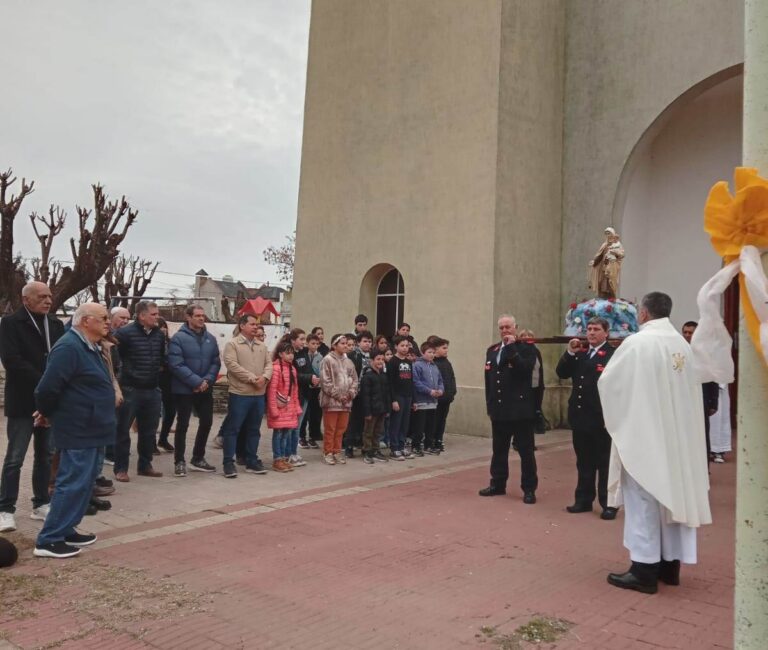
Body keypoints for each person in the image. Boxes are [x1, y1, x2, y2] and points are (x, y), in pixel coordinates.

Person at [599, 292, 711, 593]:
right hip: (677, 438)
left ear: (644, 313)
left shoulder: (638, 343)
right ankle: (669, 566)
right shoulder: (682, 345)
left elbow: (609, 383)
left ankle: (643, 569)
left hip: (646, 436)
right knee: (670, 499)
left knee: (643, 500)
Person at [32, 303, 114, 558]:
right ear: (85, 320)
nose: (107, 322)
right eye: (103, 318)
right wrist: (46, 413)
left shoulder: (89, 346)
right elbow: (47, 388)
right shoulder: (69, 347)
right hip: (79, 426)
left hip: (93, 426)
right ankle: (49, 539)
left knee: (84, 483)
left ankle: (66, 528)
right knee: (71, 481)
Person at [0, 282, 65, 532]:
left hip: (49, 401)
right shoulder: (10, 324)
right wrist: (46, 381)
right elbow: (12, 360)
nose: (48, 301)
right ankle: (5, 508)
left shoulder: (56, 324)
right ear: (26, 299)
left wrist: (55, 386)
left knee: (46, 455)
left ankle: (41, 503)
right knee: (15, 457)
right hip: (23, 400)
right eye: (42, 297)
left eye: (50, 296)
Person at [555, 317, 617, 519]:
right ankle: (583, 500)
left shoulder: (612, 354)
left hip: (602, 418)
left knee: (604, 463)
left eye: (596, 329)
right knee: (584, 461)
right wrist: (570, 352)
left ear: (606, 333)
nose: (591, 333)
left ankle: (608, 503)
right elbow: (562, 372)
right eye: (589, 329)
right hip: (581, 417)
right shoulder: (580, 354)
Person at [479, 314, 538, 504]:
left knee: (526, 452)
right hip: (499, 410)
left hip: (520, 411)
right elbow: (489, 381)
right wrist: (490, 404)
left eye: (508, 327)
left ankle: (529, 489)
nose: (505, 331)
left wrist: (513, 347)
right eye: (502, 328)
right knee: (499, 450)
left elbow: (524, 369)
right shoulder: (493, 350)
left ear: (515, 327)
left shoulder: (527, 348)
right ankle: (497, 484)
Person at [113, 300, 166, 481]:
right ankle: (121, 468)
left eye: (157, 314)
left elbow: (161, 358)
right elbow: (115, 358)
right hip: (130, 389)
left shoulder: (159, 334)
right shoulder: (125, 334)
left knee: (148, 431)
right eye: (153, 314)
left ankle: (145, 465)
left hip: (152, 389)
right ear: (142, 315)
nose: (157, 317)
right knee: (123, 430)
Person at [167, 305, 221, 476]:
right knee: (183, 425)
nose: (201, 318)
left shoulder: (210, 339)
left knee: (206, 422)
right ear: (188, 317)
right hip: (184, 389)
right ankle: (179, 461)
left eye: (203, 315)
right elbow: (176, 364)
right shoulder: (178, 338)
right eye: (197, 315)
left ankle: (198, 458)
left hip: (205, 388)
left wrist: (207, 380)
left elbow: (215, 362)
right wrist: (196, 381)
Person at [219, 315, 272, 478]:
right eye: (252, 324)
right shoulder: (232, 344)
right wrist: (252, 378)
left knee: (254, 430)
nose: (256, 327)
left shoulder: (261, 346)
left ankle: (251, 460)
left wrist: (265, 377)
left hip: (258, 394)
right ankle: (228, 462)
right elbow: (232, 366)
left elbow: (269, 364)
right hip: (240, 394)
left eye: (257, 325)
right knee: (233, 429)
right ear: (242, 326)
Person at [681, 321, 719, 464]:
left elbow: (712, 378)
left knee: (702, 434)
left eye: (690, 333)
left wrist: (713, 402)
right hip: (684, 398)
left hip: (702, 400)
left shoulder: (706, 353)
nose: (687, 335)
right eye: (685, 332)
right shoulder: (679, 350)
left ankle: (704, 466)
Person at [319, 334, 358, 465]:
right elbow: (325, 381)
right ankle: (328, 452)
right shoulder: (327, 360)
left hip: (346, 402)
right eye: (342, 343)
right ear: (334, 345)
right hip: (332, 402)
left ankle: (337, 451)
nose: (345, 346)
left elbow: (355, 380)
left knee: (341, 428)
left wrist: (350, 394)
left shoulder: (349, 362)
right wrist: (338, 395)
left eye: (347, 343)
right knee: (330, 428)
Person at [267, 342, 302, 472]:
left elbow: (295, 391)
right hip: (279, 408)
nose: (291, 355)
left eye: (292, 353)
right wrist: (273, 409)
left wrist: (296, 407)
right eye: (287, 353)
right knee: (278, 434)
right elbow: (272, 391)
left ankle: (283, 458)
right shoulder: (276, 369)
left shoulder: (292, 369)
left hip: (289, 409)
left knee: (286, 434)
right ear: (280, 354)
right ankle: (277, 459)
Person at [283, 329, 313, 468]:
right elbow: (293, 375)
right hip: (292, 395)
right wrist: (309, 378)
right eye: (301, 339)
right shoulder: (288, 354)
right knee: (291, 427)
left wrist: (313, 378)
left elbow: (307, 370)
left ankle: (293, 452)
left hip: (304, 394)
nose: (303, 342)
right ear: (293, 340)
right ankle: (287, 454)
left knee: (297, 426)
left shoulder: (304, 352)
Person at [410, 341, 445, 457]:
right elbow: (416, 382)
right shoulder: (417, 365)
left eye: (433, 352)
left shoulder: (434, 366)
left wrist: (440, 390)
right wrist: (429, 391)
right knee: (419, 426)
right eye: (429, 352)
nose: (432, 355)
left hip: (433, 402)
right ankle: (416, 446)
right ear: (422, 352)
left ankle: (428, 445)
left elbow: (440, 380)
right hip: (422, 401)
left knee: (431, 425)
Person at [344, 330, 373, 457]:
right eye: (365, 341)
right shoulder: (353, 356)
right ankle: (348, 446)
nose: (368, 344)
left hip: (368, 393)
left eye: (370, 341)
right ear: (358, 343)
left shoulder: (372, 355)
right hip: (355, 391)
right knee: (353, 421)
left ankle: (361, 443)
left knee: (364, 420)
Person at [359, 349, 391, 464]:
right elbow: (365, 396)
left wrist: (387, 409)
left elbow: (387, 394)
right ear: (371, 360)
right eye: (378, 359)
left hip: (381, 409)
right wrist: (367, 412)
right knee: (368, 431)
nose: (381, 362)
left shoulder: (383, 375)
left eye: (382, 359)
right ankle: (367, 450)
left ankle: (376, 450)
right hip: (371, 410)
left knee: (378, 431)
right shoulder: (367, 376)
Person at [387, 336, 415, 461]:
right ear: (396, 347)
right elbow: (390, 382)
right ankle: (394, 448)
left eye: (407, 345)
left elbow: (411, 381)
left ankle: (402, 445)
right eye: (402, 345)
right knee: (396, 422)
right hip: (397, 396)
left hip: (408, 396)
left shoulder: (409, 362)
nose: (405, 348)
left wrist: (413, 400)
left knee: (405, 423)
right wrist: (393, 400)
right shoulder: (392, 362)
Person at [429, 336, 456, 453]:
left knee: (442, 420)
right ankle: (431, 441)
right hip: (436, 398)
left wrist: (453, 391)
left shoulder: (447, 363)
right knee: (434, 420)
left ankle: (439, 439)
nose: (446, 350)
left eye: (447, 348)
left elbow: (451, 378)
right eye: (444, 348)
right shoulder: (432, 363)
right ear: (436, 349)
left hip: (447, 397)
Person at [299, 333, 323, 449]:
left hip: (316, 388)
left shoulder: (320, 357)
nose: (315, 346)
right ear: (307, 343)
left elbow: (322, 372)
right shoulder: (303, 355)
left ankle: (312, 437)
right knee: (304, 414)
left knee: (315, 414)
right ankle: (302, 437)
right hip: (305, 388)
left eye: (317, 344)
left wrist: (319, 381)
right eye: (312, 343)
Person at [156, 317, 176, 453]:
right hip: (155, 379)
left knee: (170, 411)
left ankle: (163, 438)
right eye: (159, 327)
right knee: (153, 413)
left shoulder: (171, 342)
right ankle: (150, 443)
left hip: (169, 380)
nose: (163, 329)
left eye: (164, 326)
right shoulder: (150, 342)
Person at [588, 227, 625, 299]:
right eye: (606, 234)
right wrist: (594, 262)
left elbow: (622, 254)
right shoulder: (604, 245)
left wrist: (614, 252)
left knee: (611, 283)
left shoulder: (617, 245)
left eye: (609, 233)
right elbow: (599, 255)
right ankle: (602, 298)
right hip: (603, 268)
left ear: (613, 234)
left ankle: (612, 299)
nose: (608, 235)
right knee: (602, 283)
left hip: (612, 267)